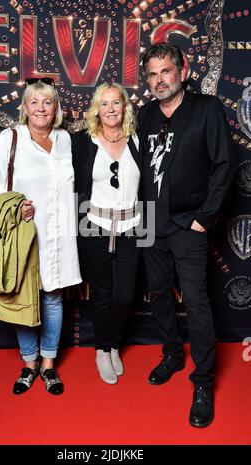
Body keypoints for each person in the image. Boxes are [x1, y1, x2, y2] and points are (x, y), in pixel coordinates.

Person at [139, 43, 235, 427]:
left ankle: (203, 381)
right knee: (159, 294)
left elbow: (224, 165)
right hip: (150, 220)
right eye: (152, 74)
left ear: (181, 70)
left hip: (188, 224)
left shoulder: (206, 109)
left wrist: (204, 219)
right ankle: (172, 354)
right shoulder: (145, 114)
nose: (159, 79)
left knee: (196, 302)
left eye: (165, 71)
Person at [0, 78, 81, 395]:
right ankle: (29, 363)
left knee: (52, 298)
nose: (40, 108)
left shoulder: (66, 140)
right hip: (24, 235)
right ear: (24, 107)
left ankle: (49, 366)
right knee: (24, 298)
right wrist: (14, 205)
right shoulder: (9, 139)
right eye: (34, 102)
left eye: (47, 102)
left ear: (56, 109)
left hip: (59, 235)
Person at [72, 83, 141, 384]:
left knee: (125, 295)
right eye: (104, 104)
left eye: (116, 103)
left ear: (125, 106)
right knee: (103, 294)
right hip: (94, 225)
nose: (111, 109)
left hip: (133, 225)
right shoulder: (83, 142)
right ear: (96, 109)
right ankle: (102, 349)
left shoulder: (138, 141)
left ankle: (114, 343)